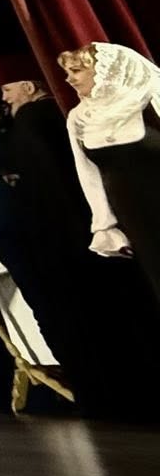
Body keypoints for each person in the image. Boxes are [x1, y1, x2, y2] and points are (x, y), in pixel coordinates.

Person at [62, 43, 160, 307]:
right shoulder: (80, 118)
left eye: (76, 70)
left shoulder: (150, 97)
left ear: (106, 70)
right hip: (136, 215)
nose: (69, 79)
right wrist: (105, 225)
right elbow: (88, 175)